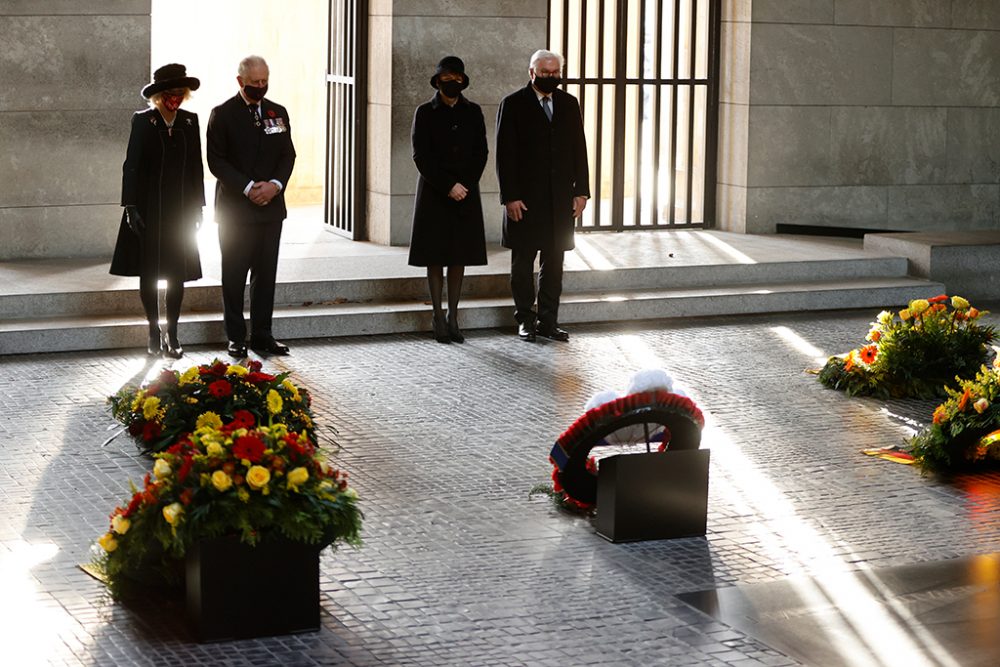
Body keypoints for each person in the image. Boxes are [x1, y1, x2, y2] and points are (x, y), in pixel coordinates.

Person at [110, 63, 205, 359]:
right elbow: (132, 166)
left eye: (179, 93)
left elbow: (195, 169)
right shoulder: (143, 121)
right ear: (159, 95)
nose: (174, 98)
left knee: (176, 274)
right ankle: (154, 332)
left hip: (180, 212)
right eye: (169, 93)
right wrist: (130, 206)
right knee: (150, 274)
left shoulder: (189, 122)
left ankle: (173, 334)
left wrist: (198, 206)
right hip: (148, 210)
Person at [496, 49, 589, 343]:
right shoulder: (512, 104)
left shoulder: (569, 104)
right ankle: (525, 319)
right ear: (531, 72)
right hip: (525, 199)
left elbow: (579, 149)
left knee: (555, 262)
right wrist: (510, 197)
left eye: (555, 72)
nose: (551, 77)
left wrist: (582, 191)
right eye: (545, 72)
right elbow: (504, 155)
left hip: (560, 198)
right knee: (523, 262)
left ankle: (549, 321)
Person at [207, 55, 296, 358]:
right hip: (236, 210)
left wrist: (275, 185)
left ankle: (263, 334)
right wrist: (248, 188)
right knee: (234, 274)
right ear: (240, 81)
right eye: (254, 82)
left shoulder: (277, 112)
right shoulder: (222, 114)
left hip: (271, 208)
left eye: (264, 82)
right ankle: (235, 336)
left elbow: (288, 155)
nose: (260, 87)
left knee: (266, 273)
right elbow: (216, 160)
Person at [408, 56, 488, 344]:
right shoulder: (424, 112)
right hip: (435, 192)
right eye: (447, 78)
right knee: (435, 256)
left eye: (457, 78)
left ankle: (454, 316)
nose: (452, 82)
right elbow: (420, 155)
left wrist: (464, 185)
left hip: (465, 193)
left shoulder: (474, 111)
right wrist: (448, 186)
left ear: (463, 81)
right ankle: (437, 316)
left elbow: (481, 153)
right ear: (438, 80)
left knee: (458, 256)